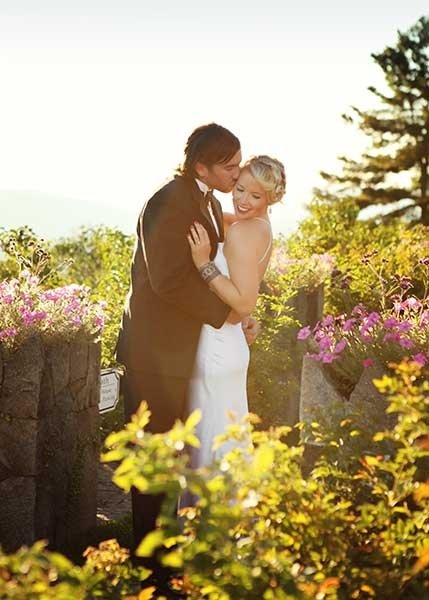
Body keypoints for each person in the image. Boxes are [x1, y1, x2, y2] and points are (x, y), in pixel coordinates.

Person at [115, 124, 260, 583]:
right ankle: (148, 570)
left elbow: (208, 270)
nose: (238, 173)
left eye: (239, 162)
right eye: (229, 165)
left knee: (181, 453)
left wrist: (239, 308)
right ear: (202, 166)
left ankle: (174, 557)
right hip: (154, 354)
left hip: (187, 351)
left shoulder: (210, 202)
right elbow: (168, 281)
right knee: (155, 456)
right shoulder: (167, 202)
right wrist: (227, 315)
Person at [186, 155, 286, 469]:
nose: (243, 200)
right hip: (230, 344)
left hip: (217, 347)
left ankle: (205, 516)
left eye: (255, 196)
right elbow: (224, 218)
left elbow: (244, 303)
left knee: (208, 444)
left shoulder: (244, 233)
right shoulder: (258, 227)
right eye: (239, 189)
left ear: (271, 198)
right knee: (226, 441)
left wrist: (203, 264)